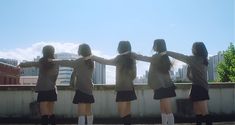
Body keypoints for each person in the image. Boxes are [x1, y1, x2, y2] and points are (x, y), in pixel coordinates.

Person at [88, 41, 136, 125]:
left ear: (120, 48)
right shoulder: (132, 59)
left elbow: (105, 61)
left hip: (121, 89)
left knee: (121, 112)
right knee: (127, 112)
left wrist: (93, 57)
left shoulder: (119, 58)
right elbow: (134, 75)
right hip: (130, 88)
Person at [163, 42, 212, 125]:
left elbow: (180, 56)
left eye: (193, 48)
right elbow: (192, 77)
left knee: (204, 112)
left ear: (197, 49)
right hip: (198, 87)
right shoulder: (203, 59)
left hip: (199, 88)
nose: (191, 49)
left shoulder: (195, 59)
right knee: (199, 111)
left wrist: (167, 52)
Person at [130, 39, 176, 125]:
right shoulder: (164, 56)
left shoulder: (157, 57)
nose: (153, 46)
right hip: (165, 86)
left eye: (155, 45)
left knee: (167, 110)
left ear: (157, 46)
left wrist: (134, 55)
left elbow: (145, 58)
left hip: (162, 86)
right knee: (164, 108)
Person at [51, 44, 94, 125]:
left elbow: (68, 63)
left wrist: (54, 61)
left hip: (81, 89)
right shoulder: (91, 62)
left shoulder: (80, 61)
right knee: (88, 110)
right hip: (89, 89)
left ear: (81, 50)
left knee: (81, 112)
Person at [19, 45, 59, 125]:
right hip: (52, 89)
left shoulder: (41, 62)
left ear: (43, 52)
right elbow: (56, 75)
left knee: (44, 113)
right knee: (51, 113)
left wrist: (21, 64)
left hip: (43, 89)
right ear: (53, 52)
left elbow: (31, 64)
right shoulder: (56, 63)